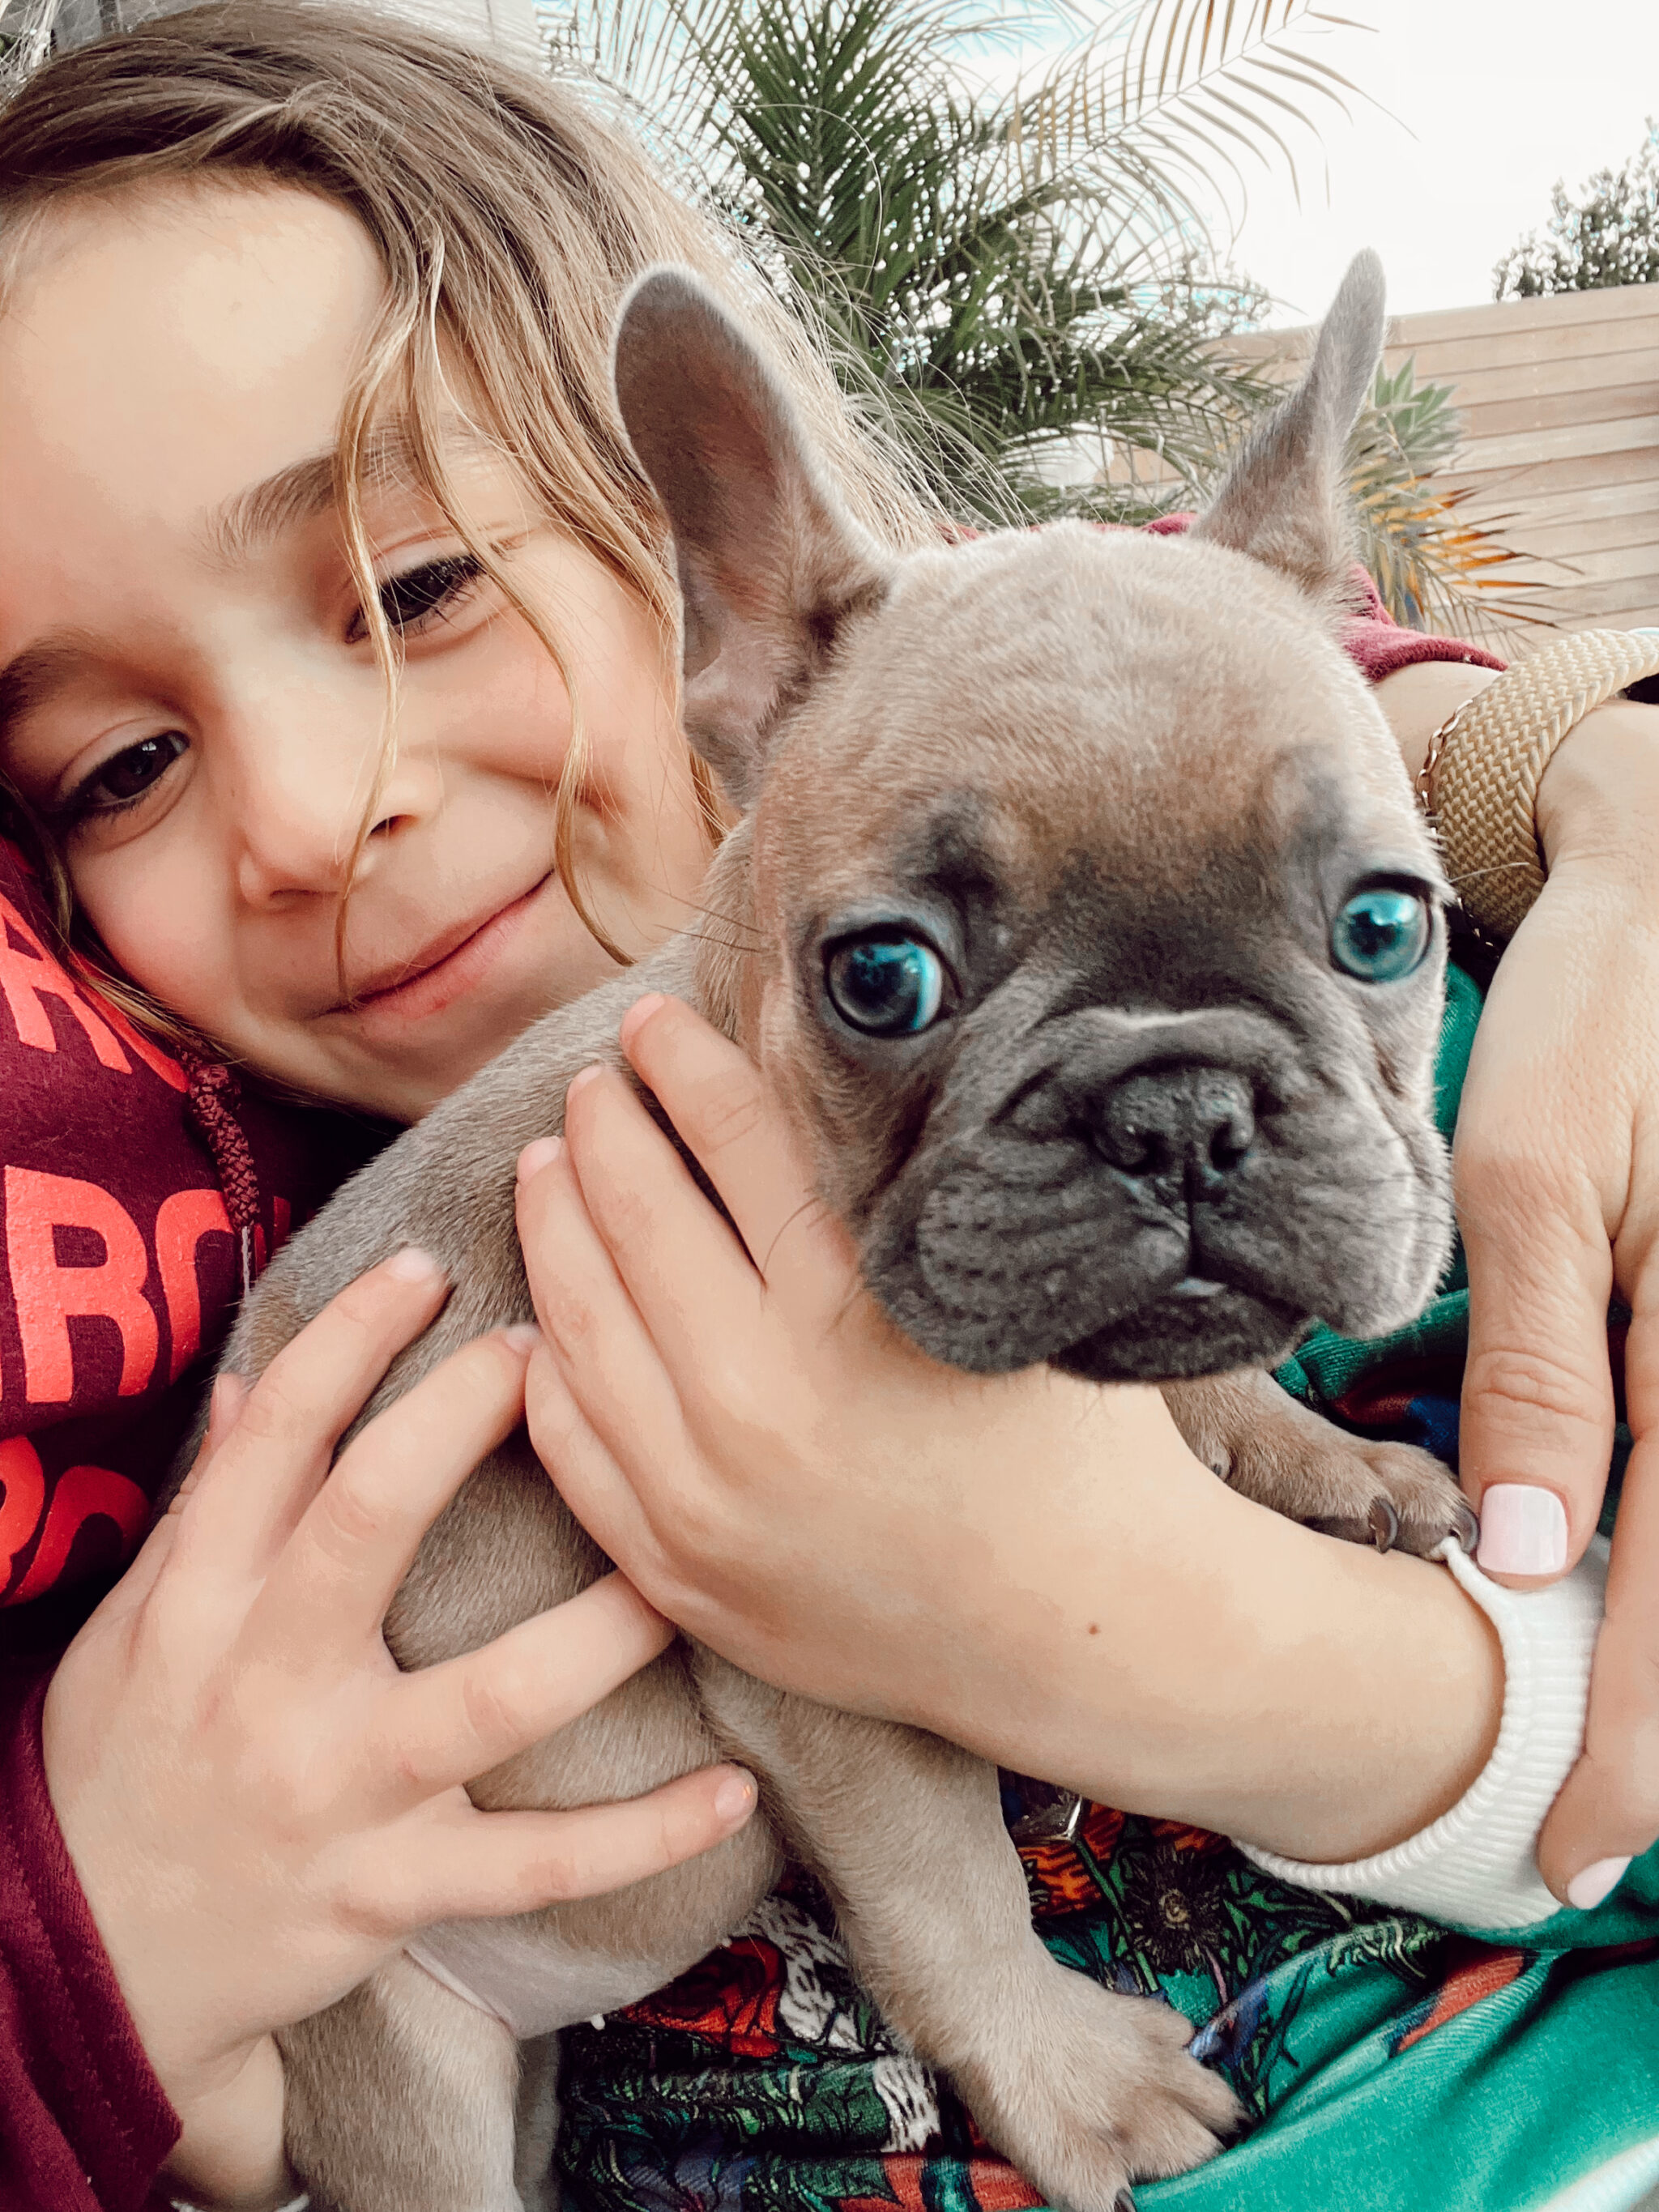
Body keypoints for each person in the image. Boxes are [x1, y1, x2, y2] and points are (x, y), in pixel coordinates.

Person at [0, 5, 1657, 2208]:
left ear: (701, 579)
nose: (317, 812)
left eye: (412, 589)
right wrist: (94, 2002)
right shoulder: (432, 1178)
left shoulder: (1498, 999)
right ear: (756, 616)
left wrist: (1587, 764)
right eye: (117, 764)